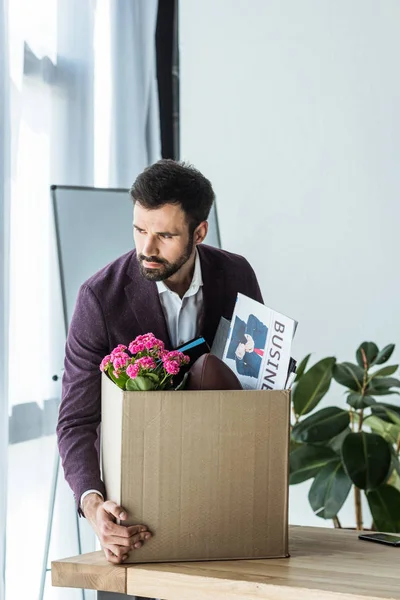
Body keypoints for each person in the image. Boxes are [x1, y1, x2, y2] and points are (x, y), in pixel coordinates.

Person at [57, 159, 263, 567]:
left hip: (225, 495)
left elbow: (258, 385)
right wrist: (93, 505)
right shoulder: (99, 298)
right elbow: (76, 421)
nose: (146, 249)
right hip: (137, 510)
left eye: (164, 235)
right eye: (139, 230)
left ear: (199, 231)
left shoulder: (236, 274)